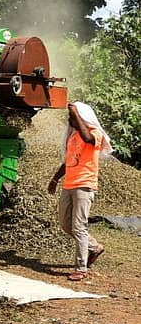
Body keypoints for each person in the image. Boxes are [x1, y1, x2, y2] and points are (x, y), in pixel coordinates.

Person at [47, 102, 111, 281]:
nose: (69, 120)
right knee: (65, 224)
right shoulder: (72, 137)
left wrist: (75, 111)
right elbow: (67, 161)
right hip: (69, 184)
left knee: (79, 226)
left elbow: (88, 138)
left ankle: (81, 268)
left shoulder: (95, 134)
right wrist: (54, 179)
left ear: (81, 118)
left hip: (85, 185)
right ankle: (95, 247)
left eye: (72, 118)